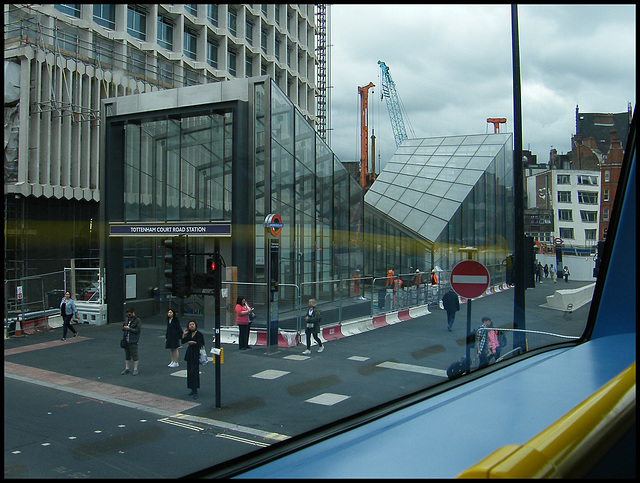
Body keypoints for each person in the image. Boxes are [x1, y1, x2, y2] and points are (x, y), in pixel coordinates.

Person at [181, 320, 205, 399]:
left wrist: (194, 343)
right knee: (189, 372)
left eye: (193, 324)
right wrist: (184, 334)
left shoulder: (199, 334)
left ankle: (195, 390)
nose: (191, 326)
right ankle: (191, 388)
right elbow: (183, 341)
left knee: (194, 372)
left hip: (196, 353)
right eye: (190, 325)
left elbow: (201, 344)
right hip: (189, 354)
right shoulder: (189, 333)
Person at [121, 307, 141, 375]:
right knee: (127, 355)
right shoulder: (127, 320)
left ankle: (135, 369)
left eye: (129, 314)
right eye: (127, 315)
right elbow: (123, 327)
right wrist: (124, 328)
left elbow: (137, 330)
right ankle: (127, 368)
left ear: (133, 313)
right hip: (126, 339)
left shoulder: (137, 320)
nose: (128, 316)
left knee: (134, 354)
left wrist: (129, 329)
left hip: (133, 340)